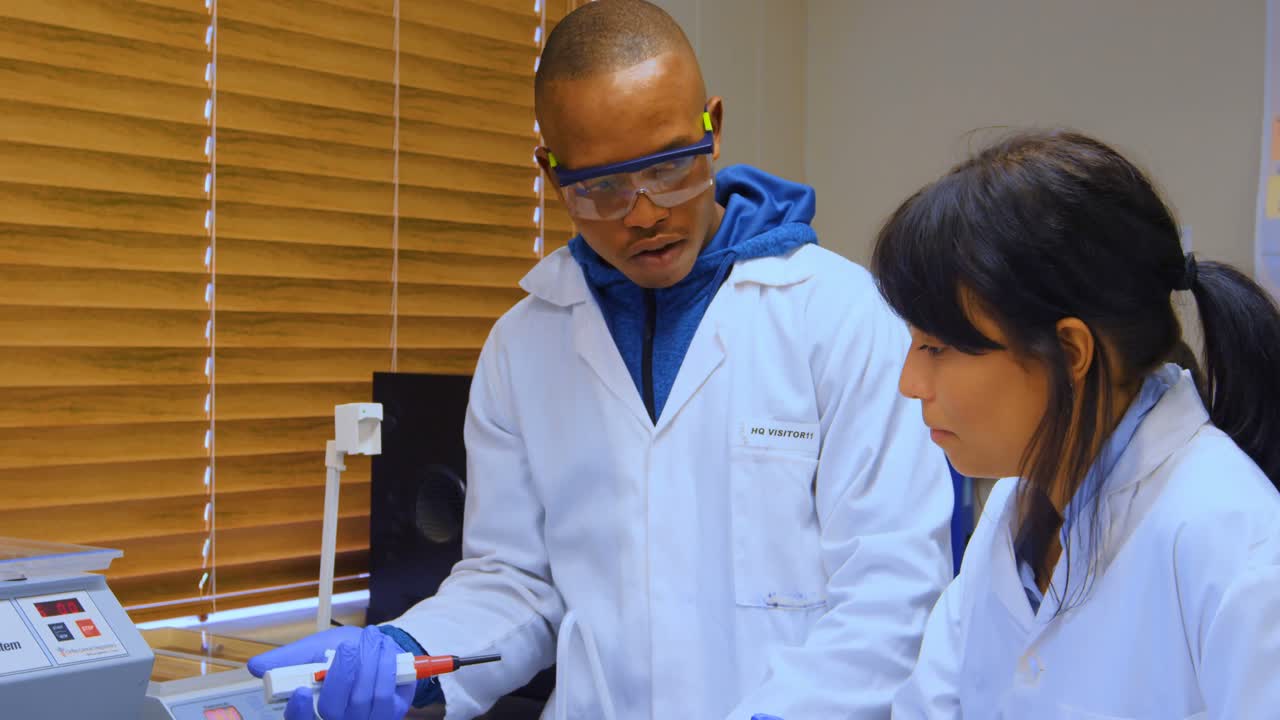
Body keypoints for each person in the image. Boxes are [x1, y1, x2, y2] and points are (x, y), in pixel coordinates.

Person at [249, 1, 953, 718]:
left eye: (670, 167)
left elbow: (893, 589)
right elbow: (514, 583)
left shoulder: (838, 314)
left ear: (713, 126)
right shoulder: (525, 346)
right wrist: (404, 652)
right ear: (552, 173)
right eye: (603, 187)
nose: (643, 213)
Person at [875, 130, 1280, 718]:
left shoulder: (1234, 543)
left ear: (1069, 352)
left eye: (937, 347)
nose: (910, 382)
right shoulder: (1014, 512)